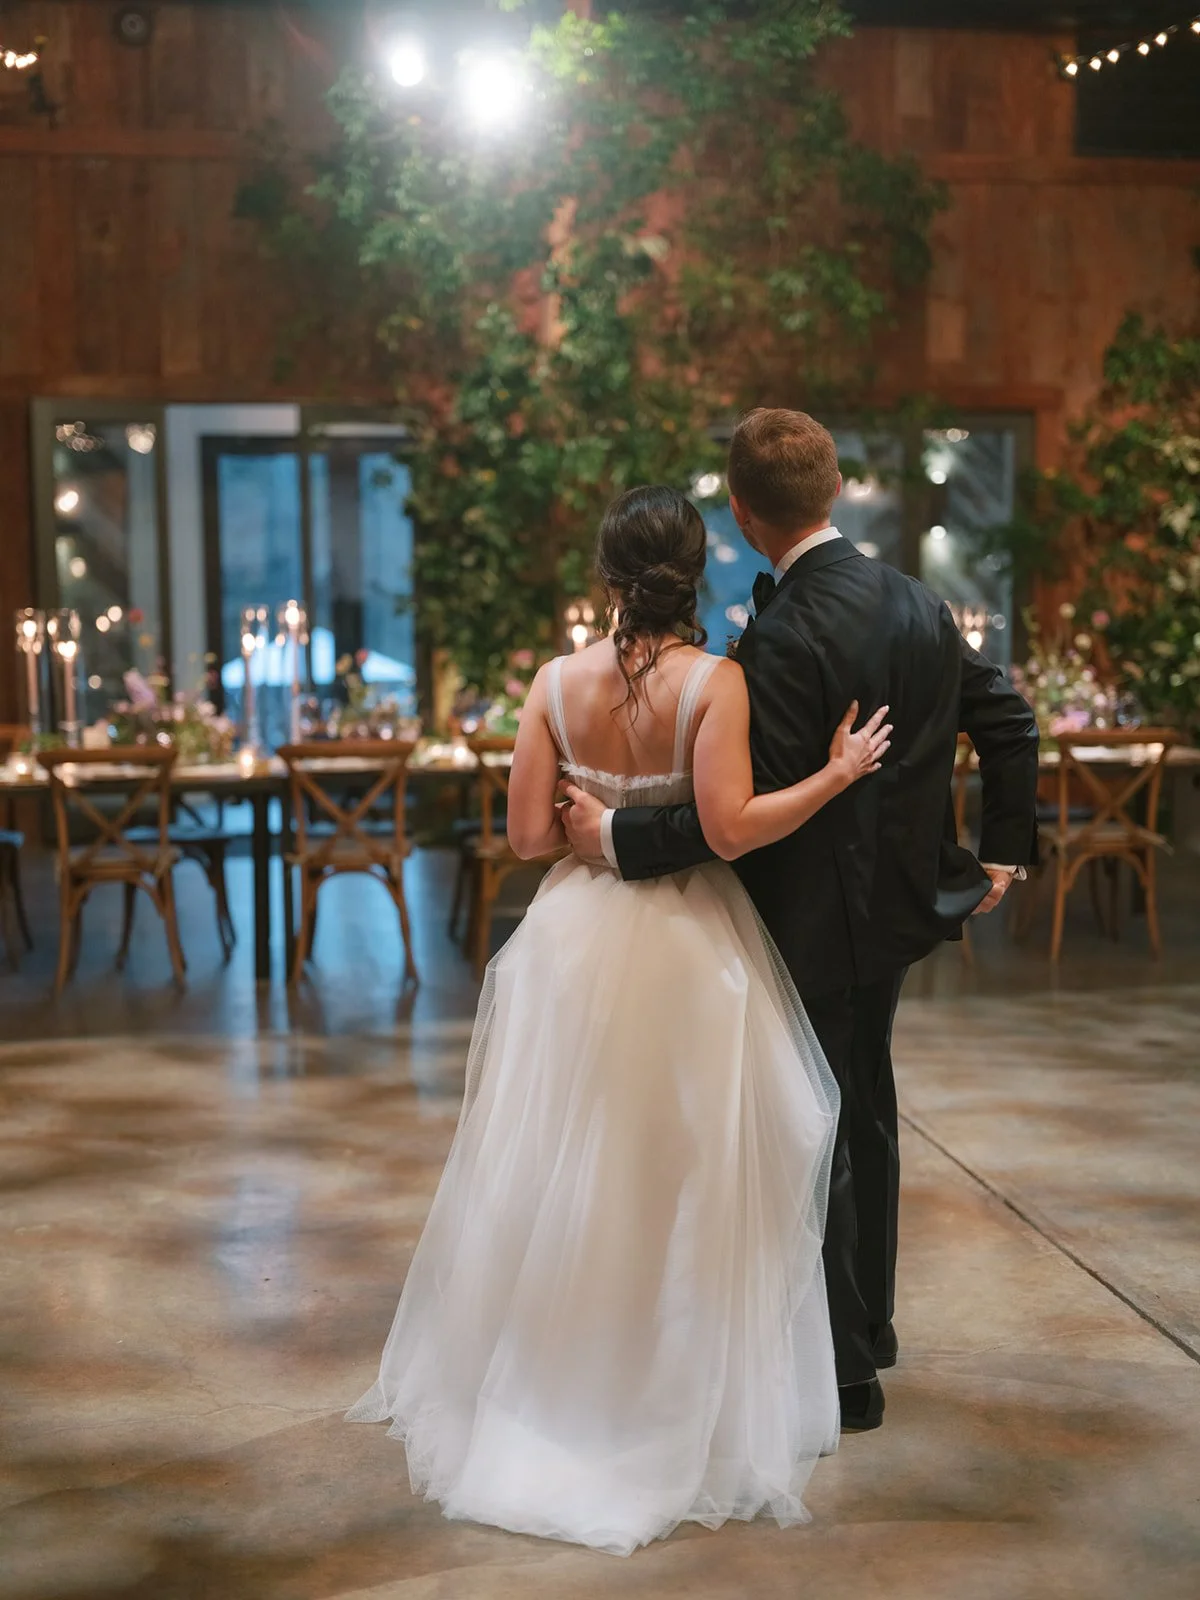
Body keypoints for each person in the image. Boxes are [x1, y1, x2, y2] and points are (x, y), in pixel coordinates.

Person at [347, 484, 890, 1557]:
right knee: (684, 1171)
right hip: (691, 947)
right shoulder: (716, 682)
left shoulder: (554, 683)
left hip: (571, 945)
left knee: (562, 1163)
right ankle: (668, 1385)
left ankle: (553, 1373)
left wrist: (591, 826)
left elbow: (523, 840)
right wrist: (835, 773)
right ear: (699, 572)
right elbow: (731, 832)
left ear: (607, 575)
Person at [563, 409, 1040, 1435]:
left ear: (740, 512)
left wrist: (613, 836)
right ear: (830, 493)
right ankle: (872, 1330)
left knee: (811, 1126)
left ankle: (844, 1369)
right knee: (863, 1102)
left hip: (805, 920)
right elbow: (1009, 721)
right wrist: (1005, 847)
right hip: (899, 915)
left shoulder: (776, 640)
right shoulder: (920, 604)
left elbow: (728, 822)